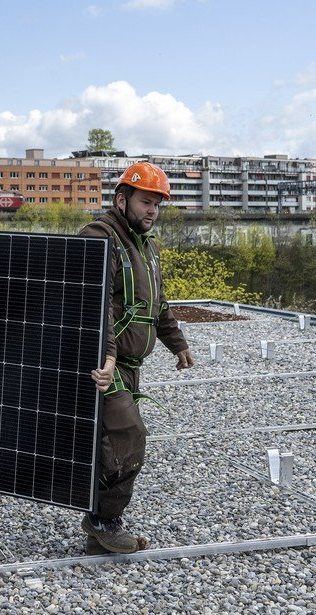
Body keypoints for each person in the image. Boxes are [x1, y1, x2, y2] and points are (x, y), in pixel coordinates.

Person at [81, 161, 194, 553]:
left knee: (111, 444)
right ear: (121, 199)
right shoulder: (99, 236)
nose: (152, 211)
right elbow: (92, 305)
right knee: (130, 436)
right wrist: (108, 354)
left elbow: (157, 305)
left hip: (129, 367)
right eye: (146, 201)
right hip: (101, 365)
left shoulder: (147, 248)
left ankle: (100, 535)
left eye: (157, 205)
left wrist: (176, 343)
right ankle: (104, 520)